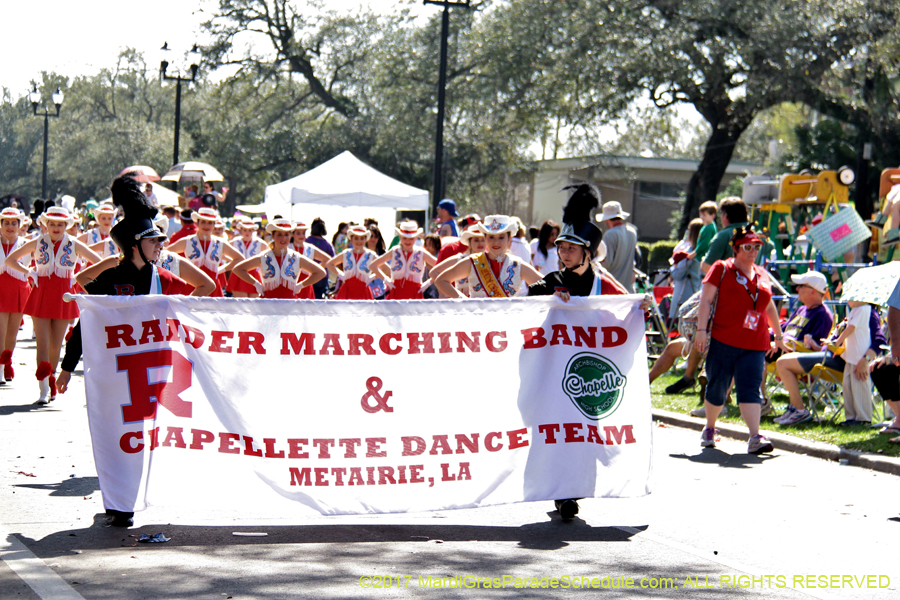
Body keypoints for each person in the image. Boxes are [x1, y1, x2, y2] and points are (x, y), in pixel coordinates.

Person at [57, 173, 211, 528]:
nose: (161, 245)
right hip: (114, 377)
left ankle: (125, 502)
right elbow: (88, 321)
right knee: (115, 437)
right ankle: (118, 500)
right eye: (154, 240)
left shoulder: (165, 277)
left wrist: (175, 318)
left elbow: (204, 288)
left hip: (152, 373)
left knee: (141, 437)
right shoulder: (111, 279)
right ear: (135, 245)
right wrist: (67, 366)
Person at [693, 226, 786, 454]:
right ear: (736, 249)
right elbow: (705, 301)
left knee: (750, 388)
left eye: (756, 247)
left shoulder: (762, 273)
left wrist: (779, 336)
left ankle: (755, 436)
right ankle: (710, 427)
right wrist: (701, 330)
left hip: (755, 342)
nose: (753, 251)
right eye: (747, 247)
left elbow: (769, 306)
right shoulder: (721, 268)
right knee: (717, 387)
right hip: (724, 338)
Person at [4, 206, 101, 403]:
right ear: (45, 225)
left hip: (64, 296)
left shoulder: (74, 244)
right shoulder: (38, 242)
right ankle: (42, 389)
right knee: (43, 343)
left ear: (67, 226)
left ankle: (51, 384)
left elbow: (99, 263)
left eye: (60, 224)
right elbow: (10, 260)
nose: (56, 228)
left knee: (56, 345)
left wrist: (78, 278)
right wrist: (29, 272)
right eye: (52, 224)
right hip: (40, 294)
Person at [434, 215, 543, 298]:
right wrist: (463, 301)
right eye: (491, 237)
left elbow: (546, 286)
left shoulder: (518, 265)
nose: (496, 242)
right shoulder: (472, 262)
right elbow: (441, 280)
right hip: (479, 323)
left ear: (509, 239)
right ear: (485, 238)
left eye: (501, 237)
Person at [231, 219, 325, 298]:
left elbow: (320, 272)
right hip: (268, 303)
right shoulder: (264, 257)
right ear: (273, 236)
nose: (283, 238)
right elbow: (238, 269)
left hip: (289, 304)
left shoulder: (296, 257)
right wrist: (256, 284)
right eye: (279, 235)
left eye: (286, 235)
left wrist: (300, 286)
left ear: (290, 236)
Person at [166, 207, 244, 297]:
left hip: (214, 289)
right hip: (191, 288)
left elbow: (239, 258)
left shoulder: (219, 243)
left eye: (210, 223)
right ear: (197, 223)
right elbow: (164, 254)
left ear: (214, 225)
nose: (206, 226)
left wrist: (220, 270)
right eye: (203, 222)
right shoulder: (187, 241)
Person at [368, 221, 437, 300]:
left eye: (411, 238)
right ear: (400, 237)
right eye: (404, 238)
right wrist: (387, 280)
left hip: (415, 292)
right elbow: (373, 266)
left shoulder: (421, 253)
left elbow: (441, 266)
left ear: (416, 237)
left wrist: (427, 284)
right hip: (395, 292)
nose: (407, 241)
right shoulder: (394, 251)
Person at [832, 300, 874, 425]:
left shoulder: (864, 309)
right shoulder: (854, 310)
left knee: (859, 385)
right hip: (850, 355)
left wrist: (838, 341)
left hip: (859, 356)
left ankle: (863, 418)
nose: (848, 300)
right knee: (848, 386)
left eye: (851, 298)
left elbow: (851, 328)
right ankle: (851, 416)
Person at [0, 208, 30, 386]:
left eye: (14, 223)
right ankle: (0, 367)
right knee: (0, 331)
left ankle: (7, 362)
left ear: (20, 226)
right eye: (6, 223)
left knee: (12, 333)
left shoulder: (26, 244)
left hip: (19, 289)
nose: (10, 227)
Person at [325, 225, 380, 300]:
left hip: (363, 291)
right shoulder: (346, 253)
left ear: (365, 239)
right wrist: (342, 275)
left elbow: (385, 269)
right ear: (351, 239)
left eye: (362, 238)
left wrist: (371, 278)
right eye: (356, 238)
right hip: (346, 290)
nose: (359, 241)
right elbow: (329, 264)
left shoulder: (371, 255)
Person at [700, 197, 750, 274]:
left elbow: (707, 267)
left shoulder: (723, 236)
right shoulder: (756, 235)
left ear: (725, 215)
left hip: (728, 284)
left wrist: (703, 260)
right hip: (751, 284)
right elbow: (771, 246)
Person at [599, 201, 638, 292]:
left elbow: (606, 264)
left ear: (606, 219)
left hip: (613, 288)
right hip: (628, 288)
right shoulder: (632, 232)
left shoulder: (610, 234)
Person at [670, 218, 704, 316]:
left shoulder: (689, 253)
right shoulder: (703, 253)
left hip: (684, 295)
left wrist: (673, 267)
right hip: (699, 293)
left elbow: (678, 274)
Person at [225, 216, 266, 298]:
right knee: (241, 305)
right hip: (238, 274)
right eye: (245, 230)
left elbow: (269, 255)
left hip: (254, 274)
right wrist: (233, 261)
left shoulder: (259, 243)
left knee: (254, 305)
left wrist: (260, 266)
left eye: (250, 230)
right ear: (241, 230)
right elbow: (221, 252)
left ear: (253, 231)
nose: (247, 232)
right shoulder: (235, 242)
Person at [291, 221, 332, 299]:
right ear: (292, 234)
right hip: (290, 283)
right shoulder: (288, 247)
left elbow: (327, 259)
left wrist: (315, 270)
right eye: (298, 233)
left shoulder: (309, 248)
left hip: (306, 284)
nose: (301, 236)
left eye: (303, 233)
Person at [305, 218, 335, 299]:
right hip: (323, 276)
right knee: (319, 302)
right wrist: (321, 266)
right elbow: (333, 260)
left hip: (308, 275)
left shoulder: (307, 241)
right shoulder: (327, 244)